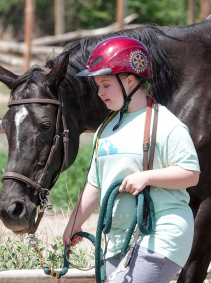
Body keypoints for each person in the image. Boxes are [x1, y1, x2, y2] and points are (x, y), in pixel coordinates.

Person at [62, 37, 200, 283]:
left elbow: (190, 173)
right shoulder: (104, 130)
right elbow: (95, 184)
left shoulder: (167, 125)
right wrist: (74, 224)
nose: (100, 92)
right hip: (117, 240)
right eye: (97, 86)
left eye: (105, 84)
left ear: (130, 80)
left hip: (161, 236)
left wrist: (146, 177)